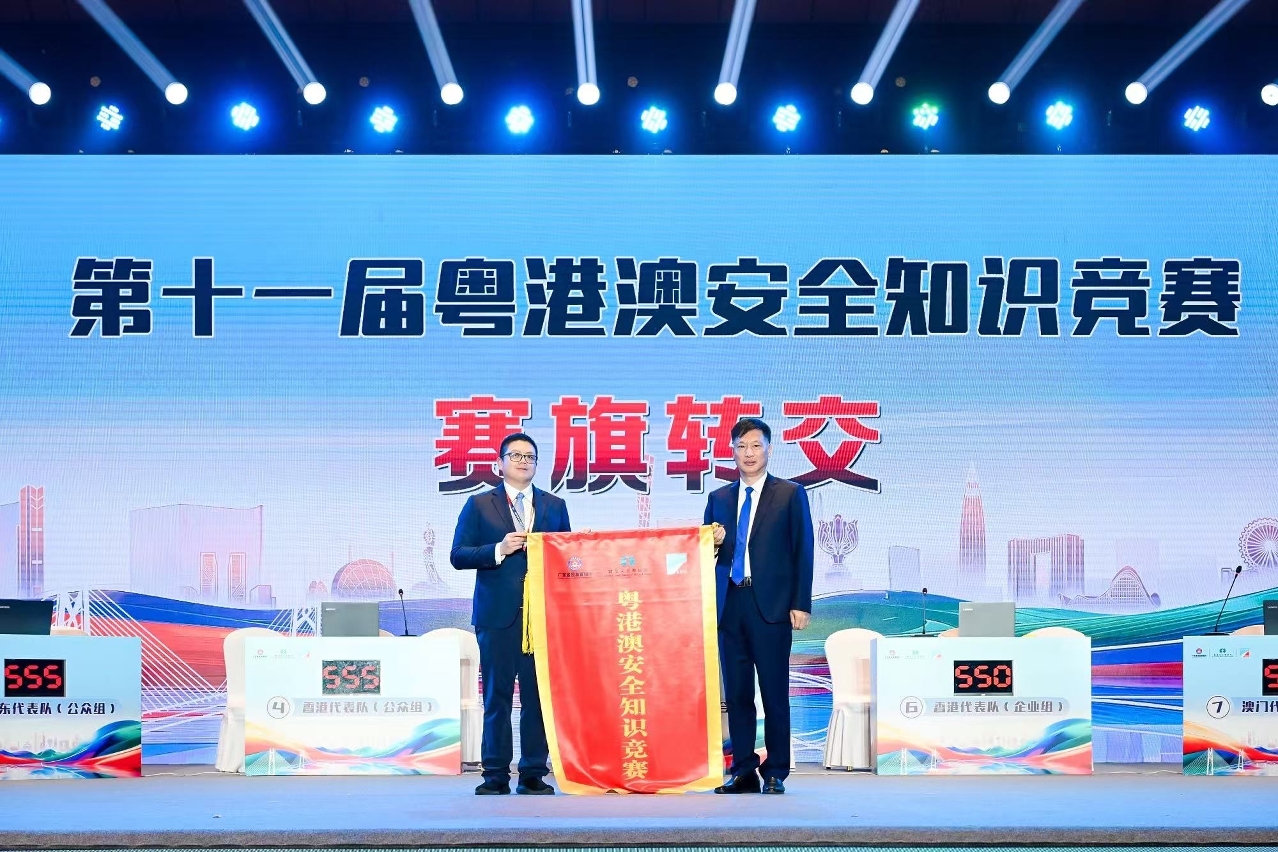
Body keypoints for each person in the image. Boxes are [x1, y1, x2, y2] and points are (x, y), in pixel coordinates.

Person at [450, 432, 571, 795]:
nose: (523, 462)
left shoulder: (554, 506)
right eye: (515, 455)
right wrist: (498, 549)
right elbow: (458, 555)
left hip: (542, 617)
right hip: (497, 617)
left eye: (529, 457)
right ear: (499, 463)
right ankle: (495, 775)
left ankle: (533, 772)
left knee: (537, 699)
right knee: (497, 698)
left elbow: (566, 558)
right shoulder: (479, 505)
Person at [703, 417, 814, 794]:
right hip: (729, 603)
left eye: (755, 446)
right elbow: (705, 555)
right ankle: (744, 770)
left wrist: (801, 603)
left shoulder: (790, 493)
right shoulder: (718, 499)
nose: (748, 453)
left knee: (773, 691)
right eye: (741, 447)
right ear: (732, 451)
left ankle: (776, 771)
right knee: (736, 694)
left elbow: (803, 550)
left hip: (772, 606)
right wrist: (712, 542)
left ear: (769, 449)